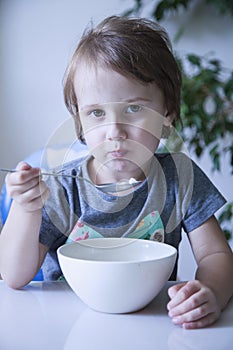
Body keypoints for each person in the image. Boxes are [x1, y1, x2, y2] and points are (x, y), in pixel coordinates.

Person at [0, 15, 233, 329]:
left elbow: (215, 255)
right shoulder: (63, 188)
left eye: (134, 109)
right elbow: (13, 277)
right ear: (80, 121)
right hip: (69, 326)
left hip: (156, 326)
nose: (114, 131)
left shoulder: (181, 177)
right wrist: (27, 209)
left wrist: (212, 294)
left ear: (168, 113)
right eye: (97, 113)